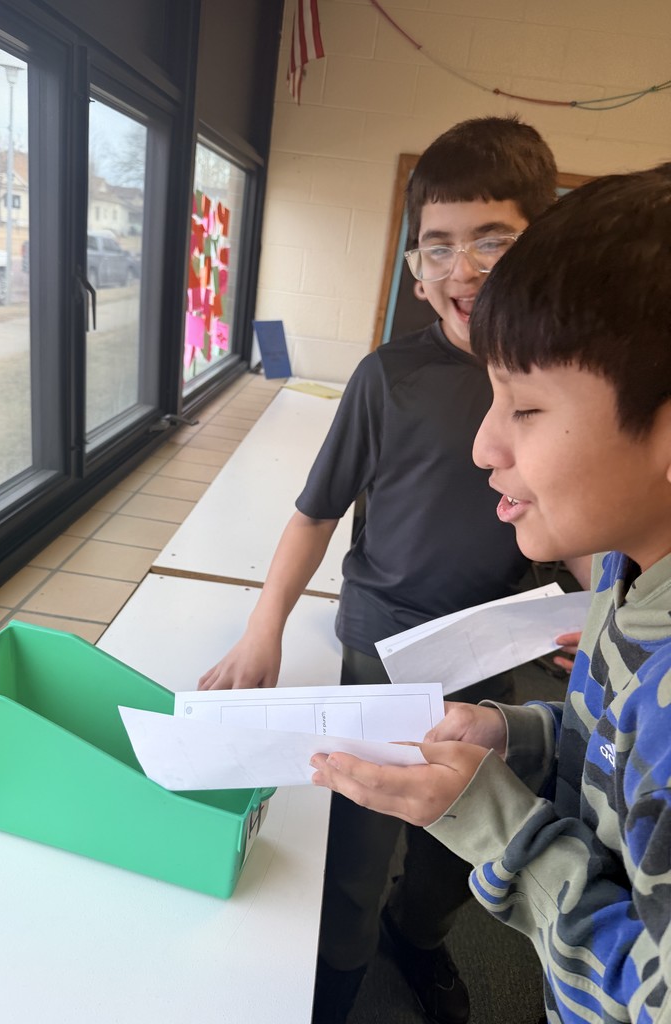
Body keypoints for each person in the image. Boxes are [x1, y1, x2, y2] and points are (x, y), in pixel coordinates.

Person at [200, 115, 589, 1024]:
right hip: (381, 649)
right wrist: (263, 627)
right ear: (416, 269)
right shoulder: (388, 378)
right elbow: (314, 513)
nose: (464, 269)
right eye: (438, 246)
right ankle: (340, 980)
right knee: (360, 840)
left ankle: (419, 939)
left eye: (493, 240)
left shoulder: (562, 375)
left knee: (467, 842)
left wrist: (594, 613)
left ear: (540, 245)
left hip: (498, 655)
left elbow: (576, 525)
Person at [311, 163, 671, 1024]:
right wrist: (522, 736)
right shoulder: (622, 570)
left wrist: (499, 828)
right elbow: (616, 763)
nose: (484, 446)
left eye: (526, 408)